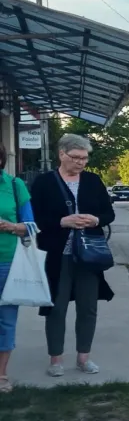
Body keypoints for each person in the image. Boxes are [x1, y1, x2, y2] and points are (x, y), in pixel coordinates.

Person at [31, 133, 115, 377]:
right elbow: (34, 218)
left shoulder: (93, 181)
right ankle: (56, 359)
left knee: (88, 307)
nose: (81, 162)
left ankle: (83, 358)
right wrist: (62, 221)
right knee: (56, 308)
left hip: (89, 256)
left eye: (85, 158)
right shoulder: (44, 182)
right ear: (62, 154)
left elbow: (108, 213)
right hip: (57, 256)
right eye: (76, 157)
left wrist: (95, 219)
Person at [0, 143, 34, 393]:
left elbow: (31, 226)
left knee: (6, 320)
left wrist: (10, 226)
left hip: (7, 263)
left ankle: (1, 375)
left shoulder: (14, 185)